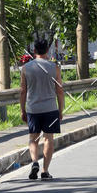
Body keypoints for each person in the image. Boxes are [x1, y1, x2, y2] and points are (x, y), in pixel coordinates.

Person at [20, 39, 64, 180]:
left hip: (33, 109)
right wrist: (60, 110)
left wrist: (22, 110)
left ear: (34, 50)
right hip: (50, 108)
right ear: (47, 51)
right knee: (48, 138)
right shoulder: (54, 67)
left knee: (33, 138)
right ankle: (45, 170)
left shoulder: (26, 68)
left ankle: (34, 162)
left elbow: (22, 91)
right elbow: (60, 90)